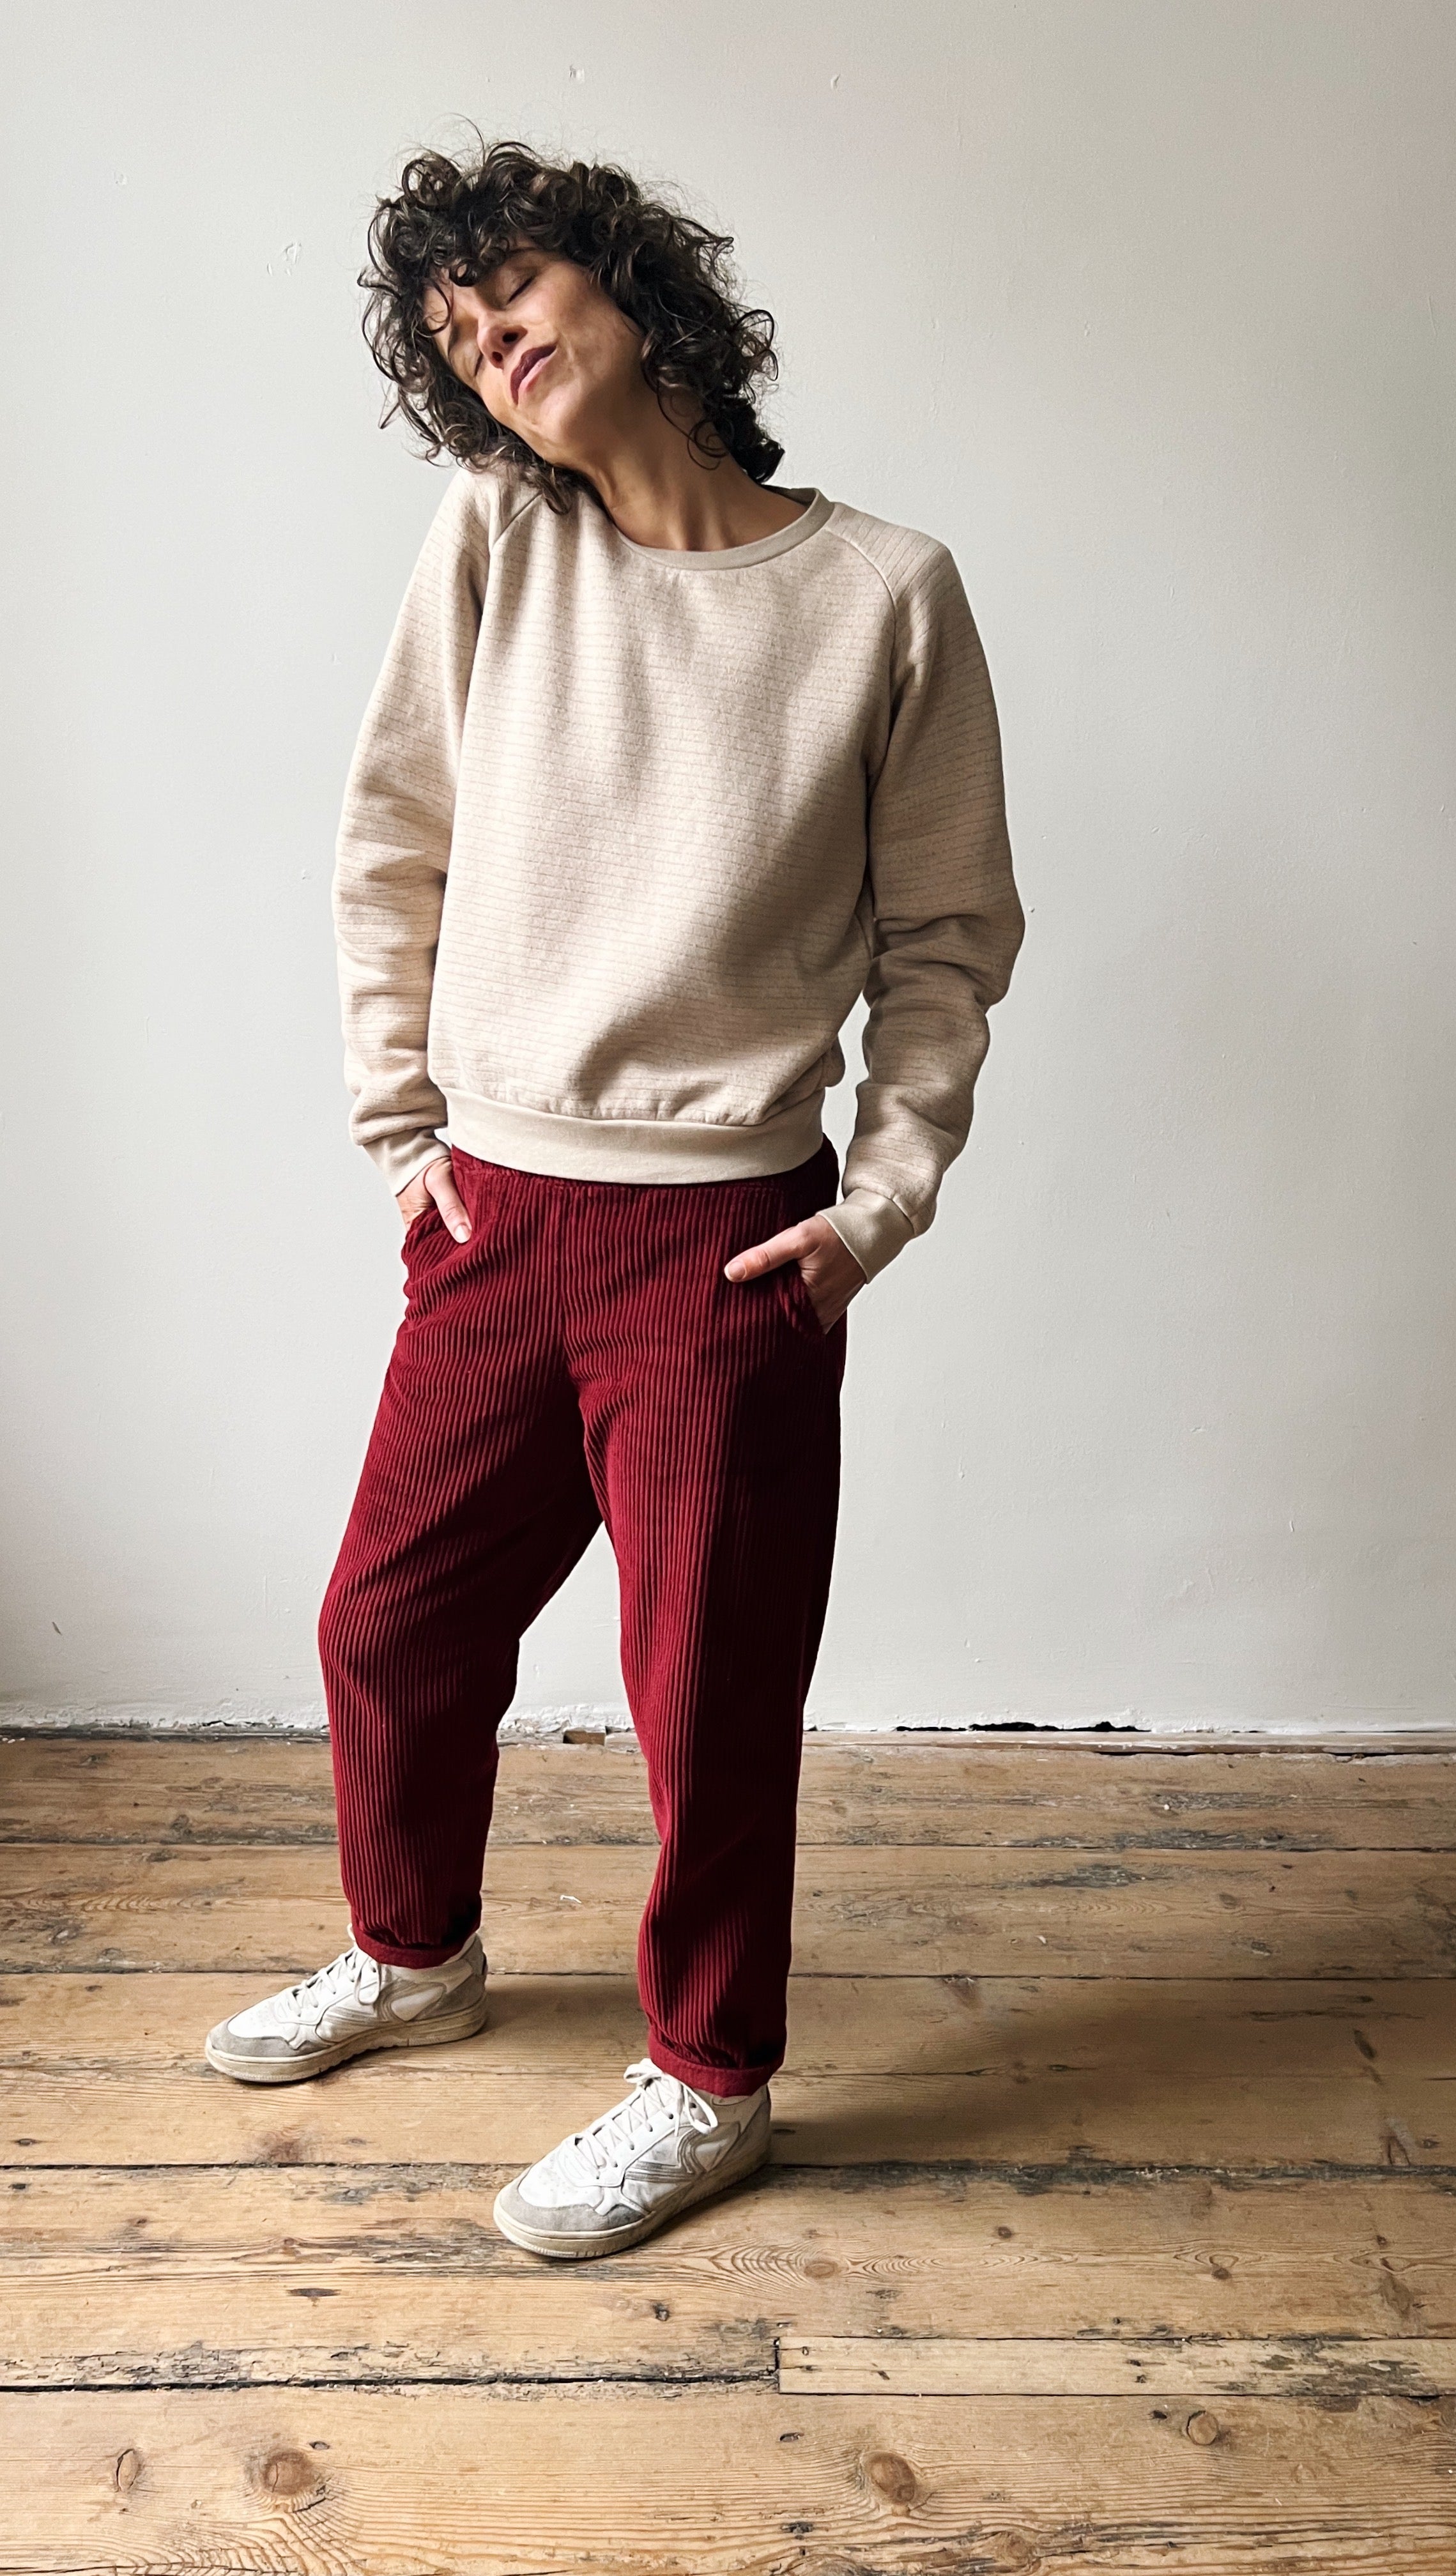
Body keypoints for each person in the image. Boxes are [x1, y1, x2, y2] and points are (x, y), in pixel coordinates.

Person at [204, 139, 1025, 2259]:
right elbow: (389, 842)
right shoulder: (493, 536)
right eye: (455, 342)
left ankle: (709, 2078)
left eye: (513, 289)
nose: (489, 343)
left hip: (725, 1238)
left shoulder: (883, 596)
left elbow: (945, 939)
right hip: (492, 1211)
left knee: (703, 1689)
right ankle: (415, 1952)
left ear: (639, 294)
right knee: (389, 1620)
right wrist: (402, 1142)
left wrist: (883, 1203)